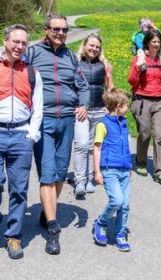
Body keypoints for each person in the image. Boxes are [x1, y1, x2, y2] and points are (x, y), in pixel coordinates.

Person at [26, 13, 89, 255]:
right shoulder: (32, 53)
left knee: (61, 172)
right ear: (46, 29)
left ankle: (47, 210)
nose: (61, 33)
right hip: (43, 121)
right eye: (56, 29)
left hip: (67, 121)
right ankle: (53, 228)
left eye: (64, 30)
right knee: (47, 174)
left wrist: (83, 104)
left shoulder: (71, 56)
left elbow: (81, 85)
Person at [0, 24, 43, 259]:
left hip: (21, 136)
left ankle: (13, 236)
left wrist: (31, 135)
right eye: (15, 41)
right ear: (6, 41)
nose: (19, 46)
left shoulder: (31, 72)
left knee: (18, 190)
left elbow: (38, 107)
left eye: (24, 43)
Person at [128, 29, 161, 184]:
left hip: (159, 101)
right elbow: (132, 81)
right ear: (147, 42)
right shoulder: (138, 58)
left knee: (160, 135)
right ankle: (141, 162)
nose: (156, 44)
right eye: (154, 41)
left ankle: (160, 170)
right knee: (145, 133)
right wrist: (139, 66)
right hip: (141, 100)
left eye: (159, 42)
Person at [73, 33, 114, 198]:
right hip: (81, 110)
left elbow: (110, 90)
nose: (94, 49)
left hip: (99, 109)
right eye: (91, 45)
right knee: (81, 145)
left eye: (97, 47)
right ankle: (79, 180)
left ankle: (90, 178)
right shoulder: (75, 63)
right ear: (84, 45)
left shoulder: (103, 65)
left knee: (93, 146)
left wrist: (109, 75)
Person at [92, 88, 132, 252]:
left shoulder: (124, 123)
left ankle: (120, 234)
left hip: (124, 170)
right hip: (109, 170)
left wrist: (130, 169)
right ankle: (101, 222)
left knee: (125, 205)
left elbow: (127, 148)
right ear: (118, 106)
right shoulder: (103, 124)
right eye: (126, 105)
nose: (128, 108)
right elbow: (97, 149)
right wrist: (97, 171)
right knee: (117, 201)